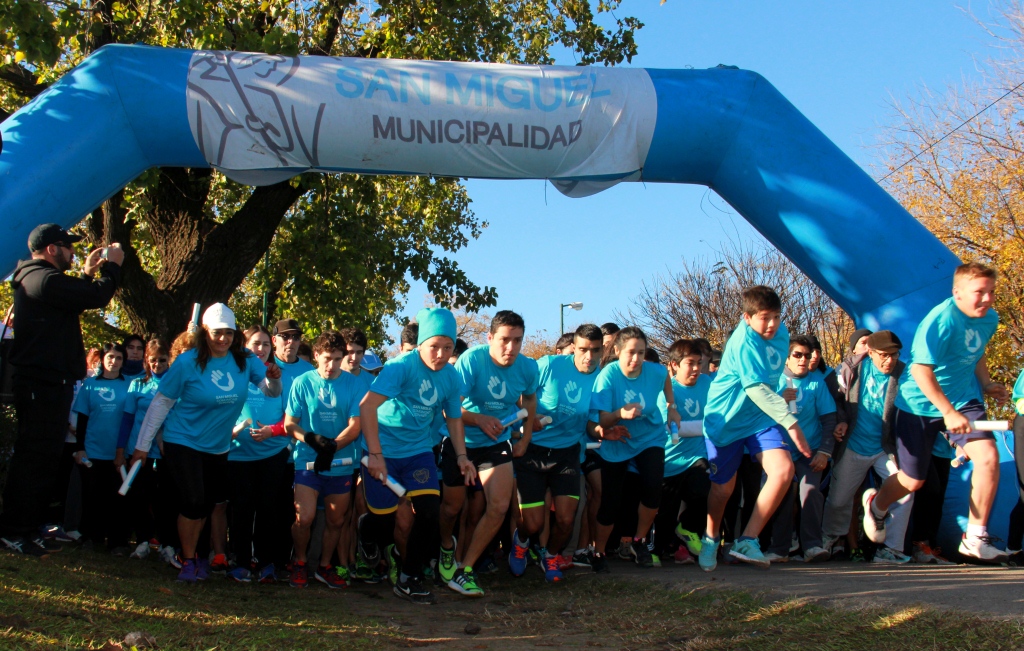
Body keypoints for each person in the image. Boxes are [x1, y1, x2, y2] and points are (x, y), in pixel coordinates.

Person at [130, 303, 282, 582]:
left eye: (228, 332)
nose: (223, 338)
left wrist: (274, 380)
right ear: (204, 332)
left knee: (205, 505)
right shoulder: (188, 362)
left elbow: (271, 393)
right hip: (183, 440)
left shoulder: (245, 360)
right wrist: (142, 446)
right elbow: (160, 404)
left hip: (218, 446)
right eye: (217, 333)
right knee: (193, 500)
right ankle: (188, 560)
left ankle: (197, 557)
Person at [871, 263, 1009, 563]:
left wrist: (986, 384)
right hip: (919, 404)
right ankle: (876, 505)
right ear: (957, 293)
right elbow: (920, 371)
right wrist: (946, 412)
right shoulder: (940, 321)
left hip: (962, 398)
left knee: (988, 456)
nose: (986, 299)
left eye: (991, 292)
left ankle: (975, 537)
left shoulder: (988, 318)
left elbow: (977, 350)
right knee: (913, 480)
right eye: (979, 293)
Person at [1, 224, 124, 556]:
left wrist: (86, 274)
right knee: (33, 458)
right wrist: (112, 266)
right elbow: (96, 297)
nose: (73, 252)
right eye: (68, 247)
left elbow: (74, 300)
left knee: (42, 459)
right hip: (41, 383)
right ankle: (14, 529)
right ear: (52, 249)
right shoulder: (42, 279)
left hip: (49, 384)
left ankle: (27, 525)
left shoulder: (42, 281)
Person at [359, 307, 477, 604]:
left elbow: (453, 418)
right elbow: (366, 407)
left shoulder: (451, 376)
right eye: (434, 346)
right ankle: (367, 530)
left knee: (428, 513)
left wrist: (462, 456)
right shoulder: (400, 367)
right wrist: (375, 454)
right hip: (382, 449)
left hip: (418, 451)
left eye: (447, 347)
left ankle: (409, 576)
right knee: (385, 521)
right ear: (421, 343)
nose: (440, 354)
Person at [700, 285, 811, 571]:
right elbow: (756, 388)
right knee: (723, 491)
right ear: (747, 317)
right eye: (764, 317)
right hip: (726, 419)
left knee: (784, 470)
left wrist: (782, 413)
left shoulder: (781, 332)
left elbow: (769, 384)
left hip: (759, 418)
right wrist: (791, 422)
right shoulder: (743, 343)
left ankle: (747, 540)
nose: (772, 324)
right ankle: (711, 537)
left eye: (776, 316)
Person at [438, 310, 538, 597]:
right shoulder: (472, 361)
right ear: (490, 337)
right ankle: (447, 546)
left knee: (498, 506)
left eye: (517, 341)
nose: (511, 348)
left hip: (497, 443)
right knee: (452, 508)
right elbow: (450, 409)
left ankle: (465, 570)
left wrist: (526, 436)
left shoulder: (528, 368)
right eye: (505, 340)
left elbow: (530, 399)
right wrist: (480, 419)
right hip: (461, 442)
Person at [511, 324, 602, 582]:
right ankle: (522, 540)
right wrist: (532, 416)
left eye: (595, 351)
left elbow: (593, 423)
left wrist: (603, 431)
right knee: (533, 523)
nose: (589, 357)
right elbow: (520, 396)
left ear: (602, 350)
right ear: (574, 347)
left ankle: (550, 555)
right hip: (534, 448)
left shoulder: (602, 379)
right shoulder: (549, 365)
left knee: (565, 520)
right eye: (583, 349)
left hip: (568, 452)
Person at [589, 326, 681, 572]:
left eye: (641, 353)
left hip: (649, 438)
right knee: (611, 503)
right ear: (618, 350)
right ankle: (598, 551)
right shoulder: (608, 376)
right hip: (617, 441)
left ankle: (639, 541)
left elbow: (666, 383)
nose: (636, 359)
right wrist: (620, 413)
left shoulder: (656, 371)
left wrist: (671, 407)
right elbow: (601, 420)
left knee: (653, 488)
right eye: (631, 352)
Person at [285, 330, 364, 589]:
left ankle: (324, 566)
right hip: (307, 460)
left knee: (335, 521)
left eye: (337, 359)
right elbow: (290, 424)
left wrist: (332, 447)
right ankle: (299, 562)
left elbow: (355, 426)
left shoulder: (353, 384)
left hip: (340, 463)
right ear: (316, 355)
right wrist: (312, 440)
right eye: (327, 358)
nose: (332, 365)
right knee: (304, 518)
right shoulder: (303, 382)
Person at [226, 325, 294, 583]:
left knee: (268, 510)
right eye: (256, 344)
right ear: (244, 346)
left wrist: (272, 432)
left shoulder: (280, 377)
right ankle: (241, 562)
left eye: (266, 344)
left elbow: (291, 419)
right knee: (241, 510)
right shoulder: (235, 372)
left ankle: (267, 564)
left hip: (272, 454)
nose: (261, 349)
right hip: (238, 454)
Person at [766, 335, 836, 563]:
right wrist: (778, 399)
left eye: (807, 355)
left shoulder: (817, 381)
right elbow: (757, 416)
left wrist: (825, 452)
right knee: (783, 495)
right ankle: (779, 549)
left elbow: (829, 419)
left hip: (811, 451)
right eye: (797, 355)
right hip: (781, 450)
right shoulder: (773, 380)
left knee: (810, 493)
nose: (804, 360)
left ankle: (813, 547)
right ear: (787, 358)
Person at [655, 339, 712, 565]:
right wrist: (706, 426)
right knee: (665, 514)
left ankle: (687, 527)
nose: (697, 368)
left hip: (697, 457)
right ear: (674, 365)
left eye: (699, 363)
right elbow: (671, 427)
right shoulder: (667, 389)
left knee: (704, 491)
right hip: (670, 461)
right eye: (691, 363)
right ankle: (660, 549)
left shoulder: (707, 383)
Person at [72, 343, 131, 554]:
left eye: (118, 358)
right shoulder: (89, 385)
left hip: (119, 453)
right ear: (103, 358)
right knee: (92, 496)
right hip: (93, 451)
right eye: (110, 357)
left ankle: (117, 542)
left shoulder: (130, 385)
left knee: (119, 498)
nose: (114, 361)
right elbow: (82, 420)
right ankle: (90, 537)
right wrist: (80, 449)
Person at [117, 339, 172, 562]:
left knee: (166, 499)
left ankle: (167, 542)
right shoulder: (137, 384)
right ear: (146, 362)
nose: (157, 364)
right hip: (139, 450)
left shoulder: (174, 384)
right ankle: (142, 540)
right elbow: (127, 419)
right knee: (140, 497)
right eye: (153, 360)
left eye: (162, 360)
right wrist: (120, 451)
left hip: (167, 449)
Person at [272, 318, 314, 397]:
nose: (291, 341)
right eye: (285, 336)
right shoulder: (265, 366)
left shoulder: (309, 370)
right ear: (274, 340)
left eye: (296, 337)